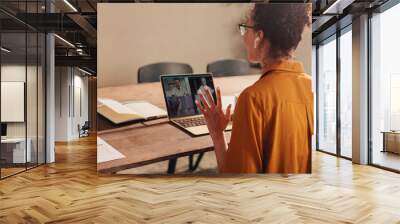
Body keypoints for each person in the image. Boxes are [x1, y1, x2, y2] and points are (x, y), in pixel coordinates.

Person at [195, 3, 313, 173]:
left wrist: (217, 133)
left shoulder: (252, 99)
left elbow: (236, 183)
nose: (243, 37)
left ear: (259, 37)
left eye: (245, 29)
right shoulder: (311, 88)